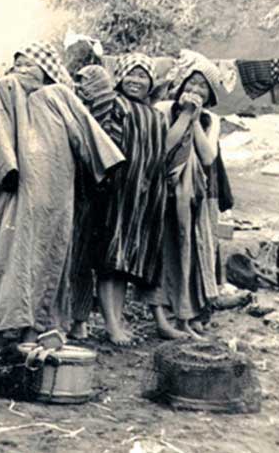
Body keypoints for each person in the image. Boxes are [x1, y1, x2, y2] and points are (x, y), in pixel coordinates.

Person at [0, 42, 124, 348]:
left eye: (29, 65)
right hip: (12, 195)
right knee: (7, 259)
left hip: (52, 195)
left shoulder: (57, 95)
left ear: (47, 70)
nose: (21, 70)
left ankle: (34, 328)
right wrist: (7, 169)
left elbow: (87, 135)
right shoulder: (4, 91)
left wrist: (102, 165)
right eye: (18, 64)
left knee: (45, 259)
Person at [70, 56, 169, 346]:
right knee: (109, 261)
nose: (136, 80)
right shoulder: (114, 105)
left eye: (142, 76)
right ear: (120, 77)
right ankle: (111, 326)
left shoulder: (156, 116)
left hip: (143, 198)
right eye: (130, 74)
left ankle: (117, 321)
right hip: (114, 193)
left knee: (125, 264)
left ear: (151, 82)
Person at [148, 55, 224, 340]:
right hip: (162, 192)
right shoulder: (163, 109)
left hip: (192, 198)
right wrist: (183, 116)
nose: (196, 89)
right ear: (181, 85)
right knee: (159, 254)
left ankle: (184, 318)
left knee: (188, 253)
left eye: (203, 86)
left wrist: (195, 119)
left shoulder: (211, 119)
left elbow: (208, 156)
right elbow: (164, 147)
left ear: (210, 94)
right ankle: (160, 319)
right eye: (192, 83)